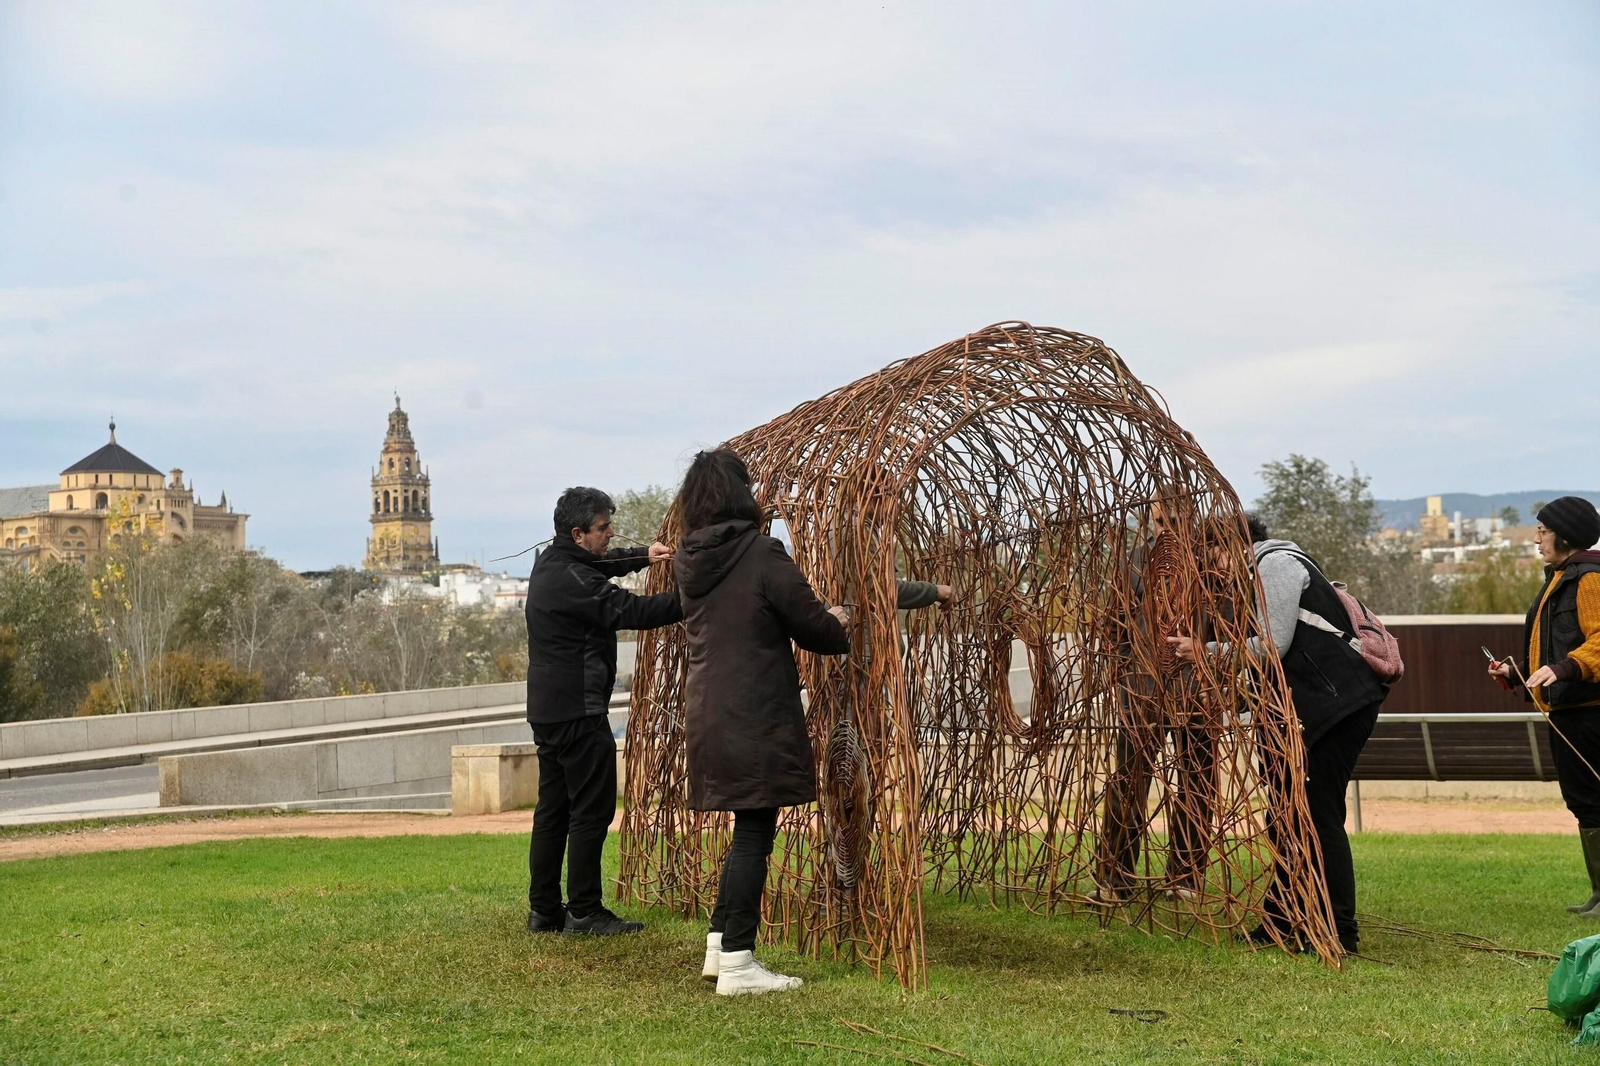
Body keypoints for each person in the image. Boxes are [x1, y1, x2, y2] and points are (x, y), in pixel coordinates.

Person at [673, 447, 861, 996]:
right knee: (756, 833)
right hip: (754, 711)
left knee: (745, 830)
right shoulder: (760, 553)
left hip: (709, 709)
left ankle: (718, 945)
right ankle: (737, 963)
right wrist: (838, 621)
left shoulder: (690, 560)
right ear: (740, 494)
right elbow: (814, 629)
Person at [1169, 514, 1387, 955]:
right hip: (1315, 707)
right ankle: (1280, 921)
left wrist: (1203, 651)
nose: (1208, 568)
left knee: (1317, 815)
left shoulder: (1276, 565)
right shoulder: (1259, 571)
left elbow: (1272, 645)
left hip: (1338, 705)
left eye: (1208, 554)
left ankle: (1341, 932)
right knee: (1287, 815)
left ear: (1227, 545)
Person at [524, 486, 682, 936]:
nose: (610, 534)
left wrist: (643, 556)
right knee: (591, 810)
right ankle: (585, 912)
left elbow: (598, 565)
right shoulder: (571, 579)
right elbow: (627, 608)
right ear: (578, 533)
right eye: (603, 528)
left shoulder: (555, 562)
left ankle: (545, 911)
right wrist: (695, 600)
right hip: (578, 708)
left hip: (551, 708)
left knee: (553, 809)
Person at [1093, 494, 1218, 906]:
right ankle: (1115, 877)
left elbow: (1231, 624)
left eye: (1178, 520)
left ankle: (1185, 877)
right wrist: (1127, 676)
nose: (1168, 529)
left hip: (1196, 691)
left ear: (1193, 518)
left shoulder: (1210, 564)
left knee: (1197, 783)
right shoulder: (1134, 562)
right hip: (1142, 691)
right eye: (1162, 520)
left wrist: (1209, 673)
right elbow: (1113, 626)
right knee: (1128, 782)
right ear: (1151, 518)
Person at [1488, 496, 1600, 916]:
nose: (1536, 539)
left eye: (1542, 530)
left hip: (1590, 709)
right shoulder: (1561, 576)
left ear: (1565, 535)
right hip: (1570, 709)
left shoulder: (1589, 578)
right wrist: (1517, 674)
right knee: (1583, 800)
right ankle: (1599, 892)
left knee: (1592, 799)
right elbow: (1556, 647)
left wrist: (1567, 668)